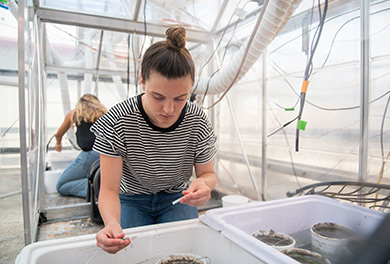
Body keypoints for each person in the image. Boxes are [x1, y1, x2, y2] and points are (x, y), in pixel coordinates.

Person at [91, 25, 217, 254]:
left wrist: (204, 185)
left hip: (179, 197)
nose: (168, 109)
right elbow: (109, 189)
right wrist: (110, 223)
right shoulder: (118, 120)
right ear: (142, 81)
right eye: (157, 97)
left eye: (180, 98)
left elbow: (208, 174)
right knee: (135, 254)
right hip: (131, 199)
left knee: (183, 254)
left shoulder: (197, 120)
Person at [54, 94, 107, 198]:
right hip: (107, 155)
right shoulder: (105, 113)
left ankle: (96, 188)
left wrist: (58, 143)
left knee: (61, 186)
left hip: (90, 155)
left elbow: (59, 134)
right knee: (95, 174)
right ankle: (102, 184)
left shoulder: (74, 114)